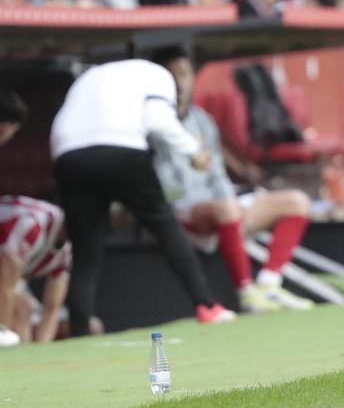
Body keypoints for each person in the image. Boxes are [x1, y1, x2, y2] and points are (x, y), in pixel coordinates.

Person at [51, 59, 236, 337]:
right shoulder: (158, 75)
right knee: (164, 223)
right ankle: (207, 306)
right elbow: (157, 120)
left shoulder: (95, 74)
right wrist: (193, 152)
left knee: (85, 249)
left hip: (67, 152)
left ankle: (79, 331)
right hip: (121, 147)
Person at [149, 47, 315, 314]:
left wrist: (228, 202)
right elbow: (165, 188)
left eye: (185, 74)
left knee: (296, 201)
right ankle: (246, 292)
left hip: (220, 209)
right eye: (172, 74)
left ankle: (269, 285)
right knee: (226, 208)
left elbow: (217, 174)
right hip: (180, 214)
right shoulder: (151, 123)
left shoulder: (203, 120)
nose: (180, 82)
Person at [0, 195, 70, 347]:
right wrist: (3, 333)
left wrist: (43, 349)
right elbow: (4, 286)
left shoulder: (69, 248)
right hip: (6, 264)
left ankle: (32, 357)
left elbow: (53, 305)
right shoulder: (31, 225)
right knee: (22, 306)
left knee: (26, 307)